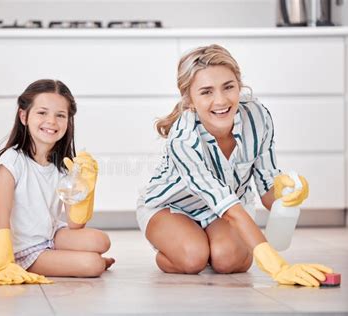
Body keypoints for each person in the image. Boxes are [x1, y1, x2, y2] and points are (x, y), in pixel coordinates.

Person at [136, 44, 332, 287]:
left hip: (225, 211)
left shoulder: (258, 117)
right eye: (206, 92)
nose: (220, 100)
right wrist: (276, 265)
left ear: (239, 85)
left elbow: (267, 190)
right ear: (189, 100)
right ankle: (180, 250)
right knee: (193, 258)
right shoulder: (184, 139)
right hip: (172, 207)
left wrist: (287, 194)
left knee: (229, 261)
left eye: (228, 87)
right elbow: (228, 207)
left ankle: (210, 243)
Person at [0, 79, 114, 285]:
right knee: (93, 264)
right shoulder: (12, 161)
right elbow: (1, 215)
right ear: (24, 116)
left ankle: (69, 259)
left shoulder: (63, 165)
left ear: (68, 121)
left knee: (101, 241)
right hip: (26, 249)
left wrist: (86, 185)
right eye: (42, 113)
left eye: (60, 115)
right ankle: (78, 261)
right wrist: (4, 261)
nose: (51, 121)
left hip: (52, 235)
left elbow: (74, 224)